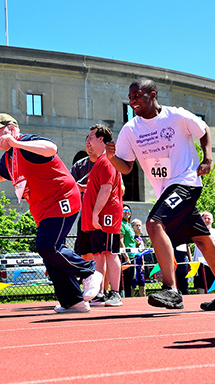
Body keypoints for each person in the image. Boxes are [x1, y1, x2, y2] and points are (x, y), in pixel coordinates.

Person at [106, 77, 215, 311]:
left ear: (153, 95)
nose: (133, 101)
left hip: (186, 180)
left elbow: (204, 130)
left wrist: (207, 158)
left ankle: (171, 289)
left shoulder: (176, 116)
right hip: (166, 189)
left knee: (154, 223)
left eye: (137, 95)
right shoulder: (130, 130)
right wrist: (111, 158)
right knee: (202, 238)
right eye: (130, 98)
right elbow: (126, 167)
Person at [0, 113, 102, 313]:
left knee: (46, 246)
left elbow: (51, 148)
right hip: (43, 208)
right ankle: (73, 301)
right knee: (50, 253)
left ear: (13, 129)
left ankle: (89, 271)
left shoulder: (26, 142)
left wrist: (16, 142)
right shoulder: (9, 158)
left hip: (62, 198)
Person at [80, 124, 123, 307]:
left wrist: (96, 213)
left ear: (101, 140)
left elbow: (106, 189)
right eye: (87, 138)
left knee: (111, 253)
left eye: (91, 138)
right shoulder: (98, 162)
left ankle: (115, 293)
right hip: (97, 217)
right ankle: (100, 293)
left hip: (107, 215)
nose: (87, 141)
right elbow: (99, 187)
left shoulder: (107, 161)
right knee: (98, 255)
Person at [70, 148, 96, 262]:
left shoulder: (110, 163)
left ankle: (104, 280)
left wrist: (87, 188)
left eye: (92, 142)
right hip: (85, 212)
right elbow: (70, 186)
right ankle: (88, 277)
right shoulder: (80, 165)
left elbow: (122, 189)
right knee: (84, 251)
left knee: (105, 253)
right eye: (87, 143)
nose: (90, 146)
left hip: (105, 213)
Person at [193, 212, 215, 294]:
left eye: (209, 218)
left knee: (210, 286)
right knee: (200, 286)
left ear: (212, 221)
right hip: (199, 263)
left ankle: (210, 303)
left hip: (211, 263)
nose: (207, 220)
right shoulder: (198, 229)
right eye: (205, 218)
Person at [121, 204, 138, 298]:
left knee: (131, 281)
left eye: (128, 210)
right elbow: (121, 241)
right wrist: (126, 257)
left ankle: (129, 298)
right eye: (124, 210)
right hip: (126, 258)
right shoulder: (122, 224)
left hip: (133, 256)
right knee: (125, 281)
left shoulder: (129, 225)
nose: (127, 212)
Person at [131, 218, 147, 297]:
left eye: (140, 225)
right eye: (136, 225)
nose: (138, 227)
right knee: (133, 282)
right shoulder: (131, 238)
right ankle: (130, 297)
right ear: (132, 227)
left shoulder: (141, 239)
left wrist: (143, 264)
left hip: (140, 263)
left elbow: (142, 253)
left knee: (142, 281)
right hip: (133, 262)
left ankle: (143, 297)